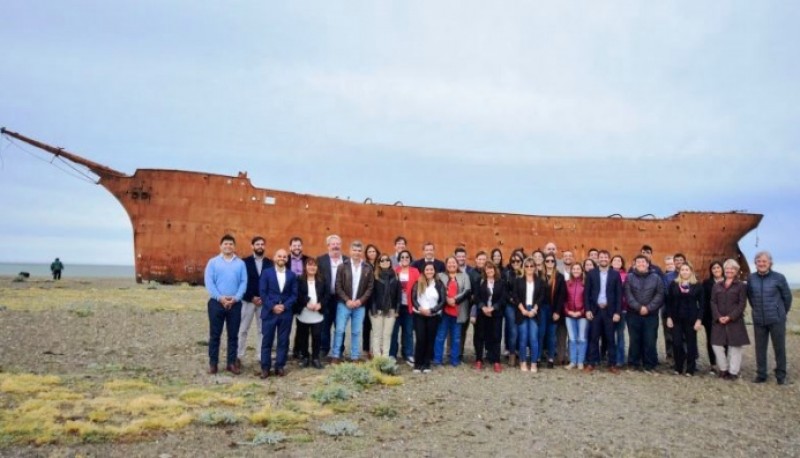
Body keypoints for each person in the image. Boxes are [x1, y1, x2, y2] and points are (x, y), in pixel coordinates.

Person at [204, 234, 248, 375]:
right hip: (216, 303)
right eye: (225, 244)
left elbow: (243, 282)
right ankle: (213, 364)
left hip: (235, 304)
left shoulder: (240, 264)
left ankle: (231, 363)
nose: (228, 246)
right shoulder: (213, 262)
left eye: (230, 244)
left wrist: (235, 298)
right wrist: (220, 298)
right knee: (215, 335)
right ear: (220, 246)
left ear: (234, 247)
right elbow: (209, 283)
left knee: (233, 335)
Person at [747, 251, 792, 385]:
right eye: (759, 261)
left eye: (764, 261)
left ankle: (781, 375)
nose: (761, 264)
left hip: (776, 319)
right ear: (755, 263)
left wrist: (781, 312)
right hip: (759, 319)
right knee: (760, 348)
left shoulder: (779, 278)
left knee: (779, 347)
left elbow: (787, 297)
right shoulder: (751, 278)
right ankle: (761, 374)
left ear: (770, 263)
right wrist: (756, 310)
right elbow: (750, 296)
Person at [331, 240, 374, 364]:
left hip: (360, 306)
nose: (357, 253)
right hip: (344, 304)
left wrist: (360, 301)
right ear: (350, 251)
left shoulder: (367, 268)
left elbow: (370, 287)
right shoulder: (342, 266)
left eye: (359, 250)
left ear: (362, 252)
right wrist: (347, 300)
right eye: (354, 250)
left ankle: (355, 356)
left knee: (356, 331)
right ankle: (336, 355)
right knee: (339, 330)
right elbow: (338, 286)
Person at [259, 249, 298, 378]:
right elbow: (263, 293)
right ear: (274, 258)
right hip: (269, 312)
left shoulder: (292, 275)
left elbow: (294, 294)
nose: (282, 258)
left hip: (285, 313)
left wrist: (284, 306)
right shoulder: (266, 273)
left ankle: (280, 366)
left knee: (283, 341)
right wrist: (273, 306)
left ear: (287, 259)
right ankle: (265, 367)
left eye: (284, 256)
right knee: (267, 341)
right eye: (279, 256)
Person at [710, 259, 749, 381]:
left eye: (732, 268)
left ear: (736, 271)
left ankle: (733, 371)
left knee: (735, 346)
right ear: (724, 270)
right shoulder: (717, 285)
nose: (729, 270)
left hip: (735, 320)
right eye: (727, 268)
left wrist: (731, 316)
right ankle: (723, 368)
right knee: (717, 345)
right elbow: (713, 301)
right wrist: (717, 316)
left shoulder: (741, 286)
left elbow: (742, 303)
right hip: (719, 320)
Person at [584, 250, 622, 373]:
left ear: (609, 259)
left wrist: (617, 312)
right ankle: (591, 363)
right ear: (598, 259)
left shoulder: (615, 274)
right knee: (593, 338)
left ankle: (612, 364)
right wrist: (588, 309)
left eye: (606, 257)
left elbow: (619, 295)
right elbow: (587, 294)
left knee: (611, 338)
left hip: (609, 311)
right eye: (601, 257)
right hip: (595, 310)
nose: (603, 259)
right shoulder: (591, 273)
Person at [625, 255, 665, 373]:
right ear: (635, 264)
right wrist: (638, 307)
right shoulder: (629, 277)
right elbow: (628, 294)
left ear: (648, 264)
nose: (641, 264)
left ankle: (649, 365)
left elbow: (660, 294)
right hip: (633, 314)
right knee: (634, 339)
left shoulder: (656, 278)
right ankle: (633, 363)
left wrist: (648, 308)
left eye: (643, 262)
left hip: (651, 314)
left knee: (650, 339)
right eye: (638, 262)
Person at [238, 236, 274, 368]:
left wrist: (263, 298)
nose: (260, 246)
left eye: (262, 244)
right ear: (252, 246)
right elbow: (241, 282)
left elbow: (271, 284)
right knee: (242, 329)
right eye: (257, 244)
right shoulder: (244, 262)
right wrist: (251, 297)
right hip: (248, 301)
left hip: (263, 303)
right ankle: (238, 356)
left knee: (262, 330)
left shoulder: (270, 263)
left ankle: (261, 356)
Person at [666, 263, 704, 376]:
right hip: (676, 318)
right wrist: (669, 317)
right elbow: (669, 302)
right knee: (677, 343)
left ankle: (690, 368)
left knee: (691, 343)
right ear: (680, 272)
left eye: (687, 269)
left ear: (691, 271)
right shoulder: (674, 284)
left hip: (691, 319)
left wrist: (699, 320)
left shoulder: (697, 285)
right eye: (682, 269)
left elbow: (702, 305)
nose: (684, 271)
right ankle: (678, 367)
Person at [434, 256, 471, 366]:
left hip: (458, 312)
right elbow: (437, 289)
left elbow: (467, 291)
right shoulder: (440, 276)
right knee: (441, 336)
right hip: (444, 311)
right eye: (449, 263)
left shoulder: (464, 276)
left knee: (456, 337)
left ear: (457, 264)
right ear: (446, 265)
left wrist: (454, 299)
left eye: (453, 262)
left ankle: (455, 360)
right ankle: (437, 359)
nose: (451, 264)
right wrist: (447, 299)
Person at [293, 257, 329, 369]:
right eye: (309, 265)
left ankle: (315, 358)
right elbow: (297, 294)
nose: (312, 267)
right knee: (303, 336)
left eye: (314, 265)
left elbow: (327, 295)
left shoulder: (322, 280)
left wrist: (320, 305)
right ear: (305, 267)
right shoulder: (299, 280)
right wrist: (306, 303)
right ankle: (305, 357)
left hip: (317, 313)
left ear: (317, 267)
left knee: (317, 336)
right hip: (304, 312)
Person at [512, 257, 546, 373]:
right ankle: (522, 361)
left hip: (534, 311)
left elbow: (542, 297)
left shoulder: (540, 281)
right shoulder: (518, 281)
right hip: (522, 310)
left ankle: (534, 363)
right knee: (523, 338)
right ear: (524, 267)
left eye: (532, 266)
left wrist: (534, 309)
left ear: (535, 267)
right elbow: (515, 296)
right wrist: (523, 310)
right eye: (527, 266)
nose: (529, 268)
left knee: (533, 338)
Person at [317, 235, 348, 357]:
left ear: (341, 245)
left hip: (341, 299)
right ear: (328, 246)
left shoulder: (346, 260)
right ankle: (324, 349)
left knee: (340, 325)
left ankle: (339, 350)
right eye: (333, 244)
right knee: (324, 325)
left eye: (338, 244)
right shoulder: (321, 260)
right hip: (326, 298)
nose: (335, 246)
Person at [472, 260, 506, 372]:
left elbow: (503, 298)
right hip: (482, 313)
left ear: (494, 270)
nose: (489, 270)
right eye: (487, 268)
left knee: (496, 336)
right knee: (479, 336)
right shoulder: (480, 281)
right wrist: (483, 307)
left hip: (496, 313)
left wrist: (493, 308)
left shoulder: (501, 282)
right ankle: (479, 360)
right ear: (484, 270)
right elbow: (476, 297)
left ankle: (496, 361)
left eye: (491, 268)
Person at [412, 263, 446, 373]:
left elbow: (442, 301)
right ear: (423, 271)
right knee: (420, 339)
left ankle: (426, 364)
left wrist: (432, 310)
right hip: (419, 314)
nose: (429, 271)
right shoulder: (418, 283)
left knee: (430, 339)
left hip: (433, 315)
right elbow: (413, 299)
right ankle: (418, 364)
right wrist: (420, 308)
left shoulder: (439, 284)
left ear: (434, 271)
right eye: (427, 269)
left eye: (431, 269)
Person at [370, 254, 402, 358]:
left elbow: (399, 295)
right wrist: (374, 310)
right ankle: (377, 358)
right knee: (377, 335)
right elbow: (372, 295)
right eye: (382, 260)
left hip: (391, 310)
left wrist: (396, 310)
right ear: (378, 263)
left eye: (387, 259)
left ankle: (385, 357)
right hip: (377, 310)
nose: (385, 262)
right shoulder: (374, 276)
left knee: (387, 335)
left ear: (390, 262)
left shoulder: (396, 276)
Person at [391, 250, 419, 365]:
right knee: (394, 331)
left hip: (409, 306)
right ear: (399, 259)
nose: (404, 259)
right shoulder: (394, 271)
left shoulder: (415, 271)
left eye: (407, 257)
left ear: (410, 258)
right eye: (402, 257)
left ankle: (408, 354)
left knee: (408, 331)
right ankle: (392, 354)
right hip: (397, 307)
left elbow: (419, 288)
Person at [539, 253, 566, 368]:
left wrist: (557, 312)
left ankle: (550, 358)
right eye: (547, 261)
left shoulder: (559, 277)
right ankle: (538, 357)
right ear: (544, 262)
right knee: (541, 334)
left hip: (553, 309)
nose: (550, 263)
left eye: (552, 261)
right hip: (541, 309)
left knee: (551, 335)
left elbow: (561, 296)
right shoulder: (539, 275)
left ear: (555, 263)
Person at [461, 250, 487, 360]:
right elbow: (467, 289)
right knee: (466, 330)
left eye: (483, 259)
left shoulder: (489, 271)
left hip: (484, 306)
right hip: (471, 305)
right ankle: (461, 354)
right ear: (476, 260)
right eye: (479, 259)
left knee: (483, 331)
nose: (481, 261)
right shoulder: (470, 273)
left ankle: (483, 354)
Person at [288, 237, 309, 360]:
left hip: (302, 296)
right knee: (286, 325)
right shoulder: (285, 260)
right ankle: (284, 350)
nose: (297, 248)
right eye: (294, 245)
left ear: (302, 247)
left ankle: (299, 350)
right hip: (288, 296)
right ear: (290, 247)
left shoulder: (308, 260)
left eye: (299, 245)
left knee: (302, 326)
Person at [701, 261, 724, 373]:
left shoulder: (729, 281)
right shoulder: (706, 283)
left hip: (726, 317)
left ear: (722, 269)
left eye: (718, 267)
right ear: (711, 270)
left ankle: (724, 364)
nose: (716, 270)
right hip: (710, 317)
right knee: (711, 340)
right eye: (714, 268)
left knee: (726, 340)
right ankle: (713, 364)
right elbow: (703, 301)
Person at [564, 263, 588, 370]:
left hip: (582, 315)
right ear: (571, 271)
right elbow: (563, 300)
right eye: (574, 268)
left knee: (582, 338)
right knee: (572, 339)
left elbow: (588, 300)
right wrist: (568, 311)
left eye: (578, 268)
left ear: (582, 271)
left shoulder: (585, 284)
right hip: (569, 314)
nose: (576, 270)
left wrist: (582, 312)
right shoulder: (567, 283)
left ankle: (580, 361)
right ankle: (573, 361)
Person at [503, 253, 524, 367]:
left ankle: (521, 354)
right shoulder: (507, 274)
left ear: (522, 261)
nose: (515, 263)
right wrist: (512, 299)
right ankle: (512, 355)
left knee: (522, 331)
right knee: (513, 330)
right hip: (510, 305)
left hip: (522, 305)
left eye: (518, 261)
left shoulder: (525, 273)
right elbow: (504, 290)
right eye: (513, 261)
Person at [362, 244, 381, 359]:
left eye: (374, 251)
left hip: (378, 299)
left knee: (377, 326)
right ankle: (365, 349)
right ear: (366, 254)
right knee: (366, 325)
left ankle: (376, 349)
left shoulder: (381, 265)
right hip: (366, 300)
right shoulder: (364, 266)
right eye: (370, 251)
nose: (372, 253)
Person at [610, 255, 628, 369]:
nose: (617, 262)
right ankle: (611, 358)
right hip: (608, 310)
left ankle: (620, 359)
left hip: (622, 309)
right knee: (610, 335)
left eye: (619, 260)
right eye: (615, 260)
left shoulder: (626, 276)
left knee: (620, 335)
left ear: (622, 263)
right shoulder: (607, 274)